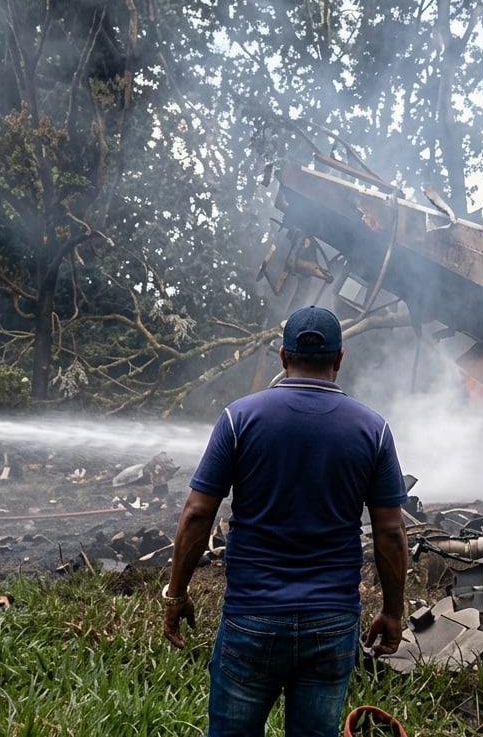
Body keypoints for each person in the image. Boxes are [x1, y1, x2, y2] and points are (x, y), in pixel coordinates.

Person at [162, 305, 409, 737]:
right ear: (338, 359)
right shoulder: (374, 430)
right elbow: (390, 531)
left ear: (282, 357)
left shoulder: (239, 419)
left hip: (251, 618)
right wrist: (392, 611)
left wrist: (177, 595)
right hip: (332, 623)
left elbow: (198, 512)